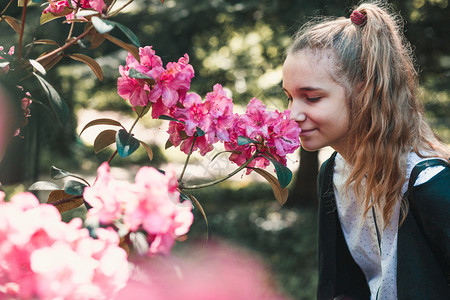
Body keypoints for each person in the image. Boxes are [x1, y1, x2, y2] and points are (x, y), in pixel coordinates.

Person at [282, 1, 449, 299]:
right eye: (290, 97)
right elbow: (340, 287)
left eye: (312, 98)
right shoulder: (333, 175)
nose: (292, 114)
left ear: (364, 92)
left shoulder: (430, 185)